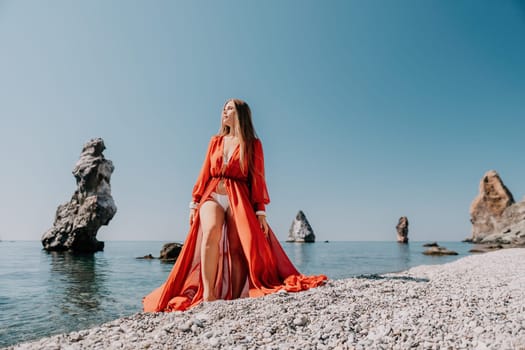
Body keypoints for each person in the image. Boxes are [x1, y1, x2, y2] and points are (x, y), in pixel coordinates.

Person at [143, 99, 327, 312]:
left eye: (229, 108)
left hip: (239, 197)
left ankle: (235, 296)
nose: (224, 111)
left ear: (240, 113)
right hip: (212, 194)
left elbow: (258, 179)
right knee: (210, 232)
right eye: (223, 108)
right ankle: (209, 296)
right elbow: (205, 172)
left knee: (238, 245)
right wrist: (194, 202)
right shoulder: (215, 141)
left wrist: (260, 211)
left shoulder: (253, 144)